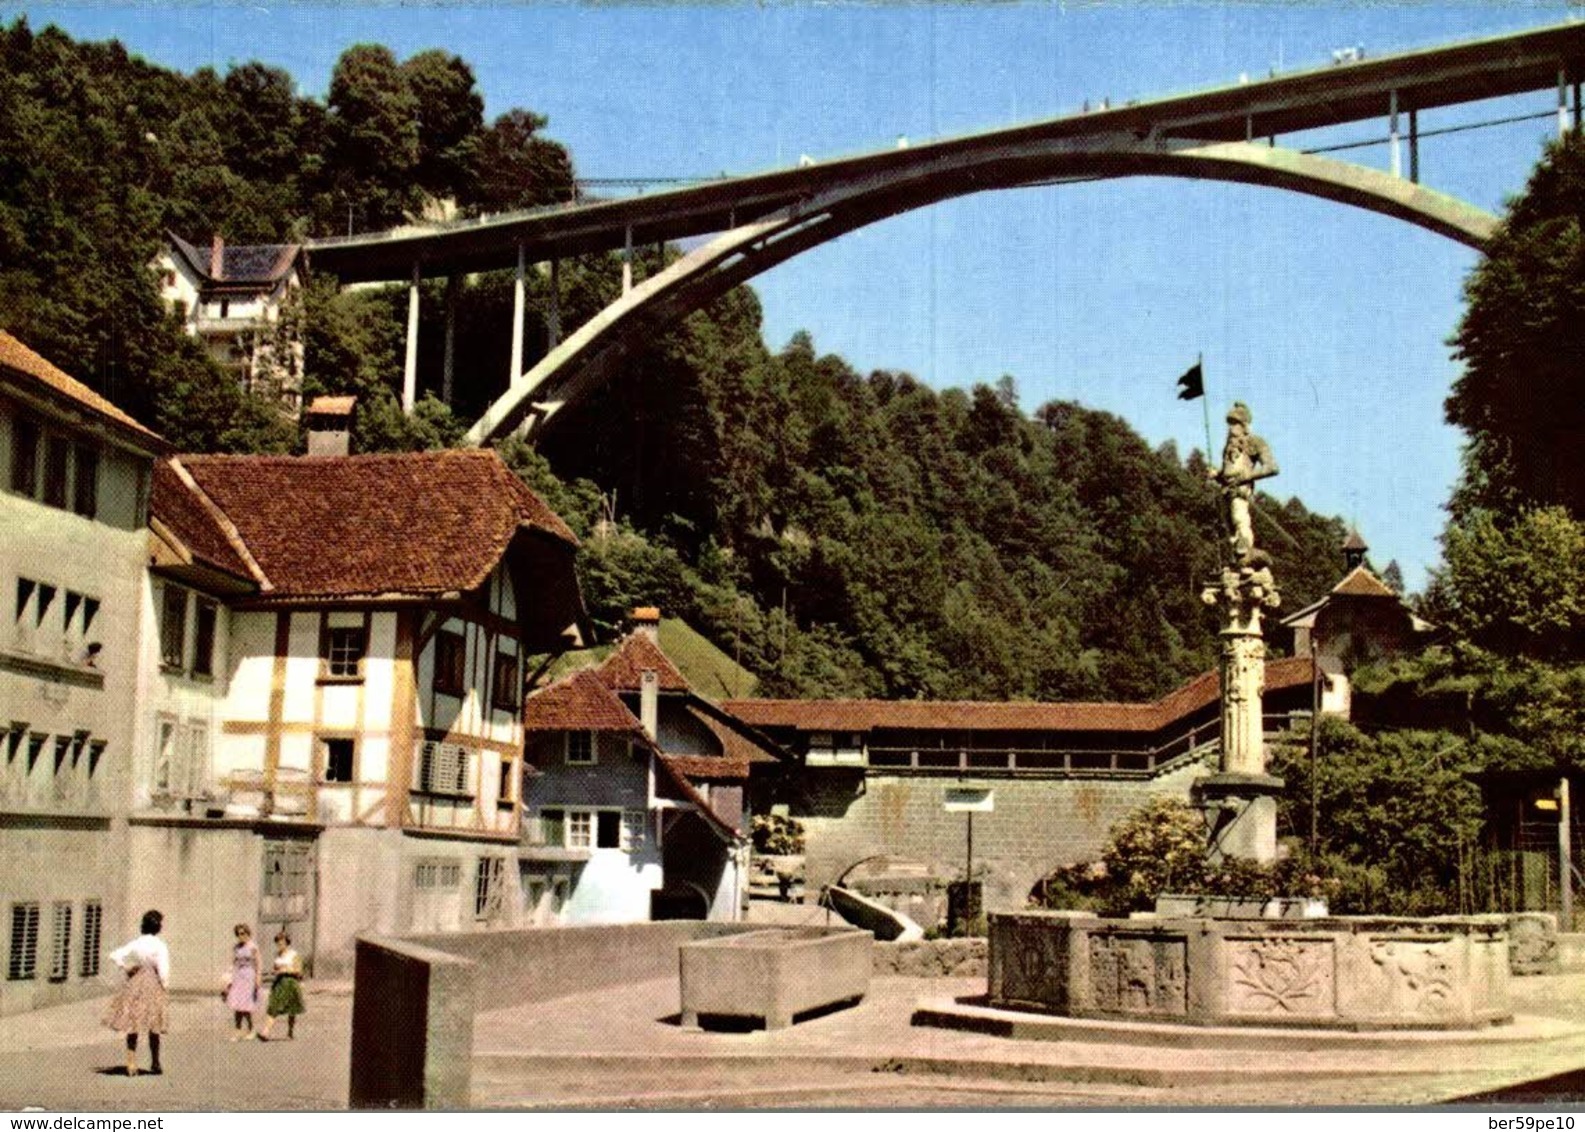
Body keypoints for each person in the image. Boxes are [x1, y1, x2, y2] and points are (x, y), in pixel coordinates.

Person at [1207, 401, 1279, 562]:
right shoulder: (1228, 446)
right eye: (1229, 424)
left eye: (1234, 423)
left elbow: (1272, 467)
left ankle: (1246, 551)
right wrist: (1216, 474)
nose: (1231, 428)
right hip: (1225, 490)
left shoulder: (1255, 442)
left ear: (1244, 425)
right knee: (1228, 527)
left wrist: (1247, 476)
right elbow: (1226, 472)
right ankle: (1236, 558)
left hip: (1241, 489)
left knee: (1239, 518)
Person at [102, 909, 169, 1077]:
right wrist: (165, 986)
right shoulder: (159, 945)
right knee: (154, 1024)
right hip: (152, 982)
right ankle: (155, 1061)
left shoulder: (137, 943)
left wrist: (126, 967)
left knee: (133, 1023)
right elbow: (164, 969)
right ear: (158, 927)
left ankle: (131, 1063)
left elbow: (114, 955)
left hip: (136, 981)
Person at [256, 931, 305, 1041]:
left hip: (290, 983)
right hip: (279, 983)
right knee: (273, 1006)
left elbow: (299, 971)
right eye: (277, 942)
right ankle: (265, 1032)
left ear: (287, 942)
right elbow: (275, 968)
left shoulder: (294, 955)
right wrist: (275, 971)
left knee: (292, 1009)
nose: (279, 945)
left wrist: (285, 970)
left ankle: (290, 1032)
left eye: (281, 942)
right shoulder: (278, 955)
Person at [224, 924, 262, 1040]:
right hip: (238, 976)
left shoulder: (252, 947)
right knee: (237, 1004)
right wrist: (229, 978)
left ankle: (251, 1029)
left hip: (249, 975)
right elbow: (233, 962)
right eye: (239, 934)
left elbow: (258, 963)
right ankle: (237, 1030)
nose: (241, 936)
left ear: (248, 934)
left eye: (243, 933)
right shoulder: (236, 948)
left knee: (246, 1005)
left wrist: (258, 977)